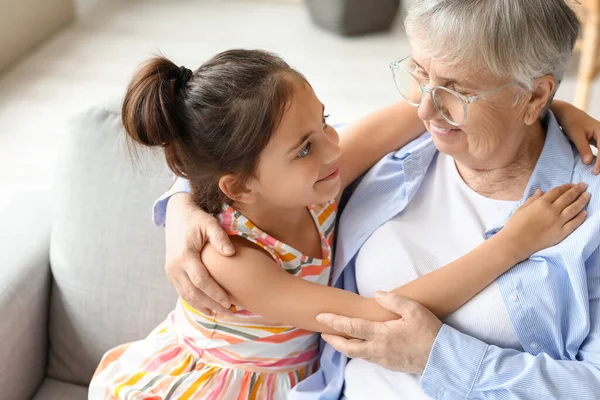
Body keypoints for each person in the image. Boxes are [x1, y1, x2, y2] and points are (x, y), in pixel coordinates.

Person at [156, 1, 600, 399]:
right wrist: (184, 202)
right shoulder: (387, 154)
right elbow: (249, 163)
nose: (426, 111)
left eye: (456, 90)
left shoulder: (584, 212)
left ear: (535, 94)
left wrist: (437, 356)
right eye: (420, 75)